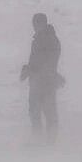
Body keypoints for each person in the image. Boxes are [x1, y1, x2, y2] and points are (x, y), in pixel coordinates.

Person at [20, 13, 62, 143]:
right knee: (34, 111)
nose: (35, 27)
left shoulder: (51, 40)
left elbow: (50, 61)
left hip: (46, 82)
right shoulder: (37, 40)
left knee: (49, 111)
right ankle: (37, 140)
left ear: (43, 24)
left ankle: (51, 142)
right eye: (34, 24)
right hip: (36, 82)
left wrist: (33, 71)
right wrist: (27, 69)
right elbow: (35, 61)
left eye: (37, 24)